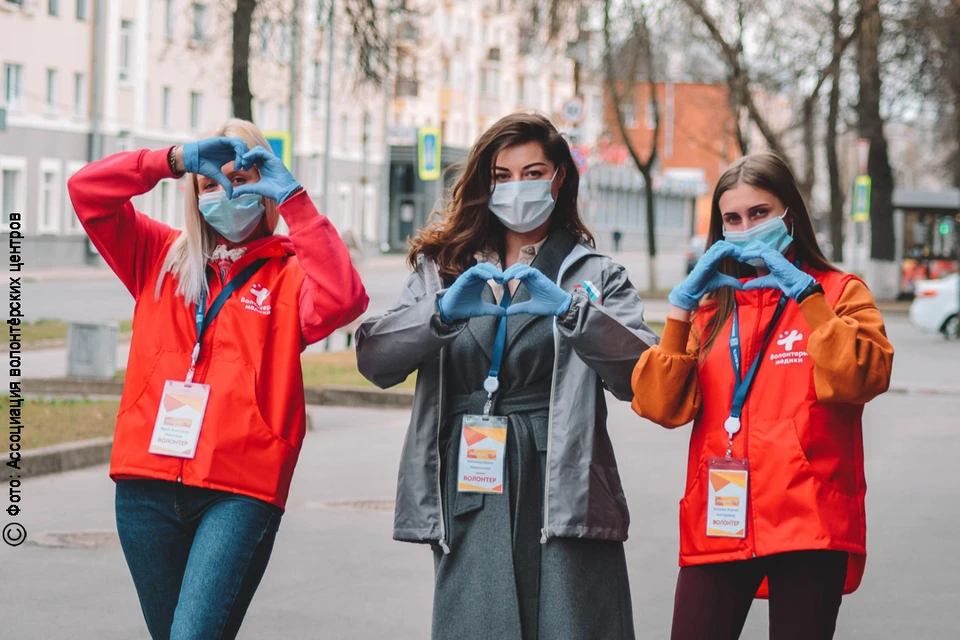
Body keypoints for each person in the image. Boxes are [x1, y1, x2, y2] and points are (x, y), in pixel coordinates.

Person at [355, 113, 658, 640]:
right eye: (501, 176)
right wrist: (442, 312)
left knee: (574, 623)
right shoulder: (442, 266)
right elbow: (377, 362)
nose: (517, 187)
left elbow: (643, 375)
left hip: (564, 479)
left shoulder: (597, 274)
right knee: (478, 624)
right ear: (484, 183)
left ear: (559, 176)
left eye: (533, 172)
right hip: (473, 475)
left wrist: (573, 312)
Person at [67, 119, 368, 640]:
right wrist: (174, 159)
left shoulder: (291, 275)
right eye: (211, 183)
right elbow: (87, 192)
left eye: (243, 178)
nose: (227, 192)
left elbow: (344, 300)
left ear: (266, 186)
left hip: (238, 492)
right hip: (145, 491)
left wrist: (295, 201)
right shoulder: (157, 257)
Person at [631, 152, 894, 640]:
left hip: (808, 520)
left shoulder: (839, 293)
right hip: (720, 517)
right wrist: (679, 310)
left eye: (760, 213)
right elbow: (659, 406)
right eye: (733, 218)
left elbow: (864, 377)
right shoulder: (712, 309)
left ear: (789, 214)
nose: (747, 227)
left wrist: (809, 298)